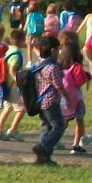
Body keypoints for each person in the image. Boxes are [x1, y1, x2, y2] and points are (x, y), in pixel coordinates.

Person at [30, 36, 65, 165]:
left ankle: (44, 158)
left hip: (40, 101)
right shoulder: (52, 67)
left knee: (46, 127)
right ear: (52, 50)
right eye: (58, 49)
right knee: (59, 127)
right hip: (51, 101)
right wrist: (67, 98)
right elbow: (59, 86)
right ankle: (42, 147)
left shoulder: (38, 63)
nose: (59, 52)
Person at [0, 29, 29, 141]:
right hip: (14, 86)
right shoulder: (17, 54)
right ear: (19, 41)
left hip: (6, 85)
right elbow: (13, 70)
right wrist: (20, 82)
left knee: (7, 108)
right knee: (22, 108)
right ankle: (13, 130)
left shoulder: (9, 50)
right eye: (24, 39)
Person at [57, 39, 89, 155]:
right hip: (76, 98)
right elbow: (80, 82)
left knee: (64, 121)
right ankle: (76, 144)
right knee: (79, 119)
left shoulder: (59, 66)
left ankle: (55, 139)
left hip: (62, 98)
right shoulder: (76, 67)